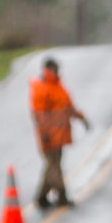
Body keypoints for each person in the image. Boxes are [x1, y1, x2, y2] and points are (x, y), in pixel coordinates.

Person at [29, 56, 89, 208]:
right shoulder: (41, 88)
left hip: (60, 135)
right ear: (48, 70)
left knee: (52, 166)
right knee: (54, 166)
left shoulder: (58, 87)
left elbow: (68, 107)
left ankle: (42, 197)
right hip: (49, 137)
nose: (56, 72)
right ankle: (61, 195)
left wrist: (82, 119)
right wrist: (45, 133)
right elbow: (39, 115)